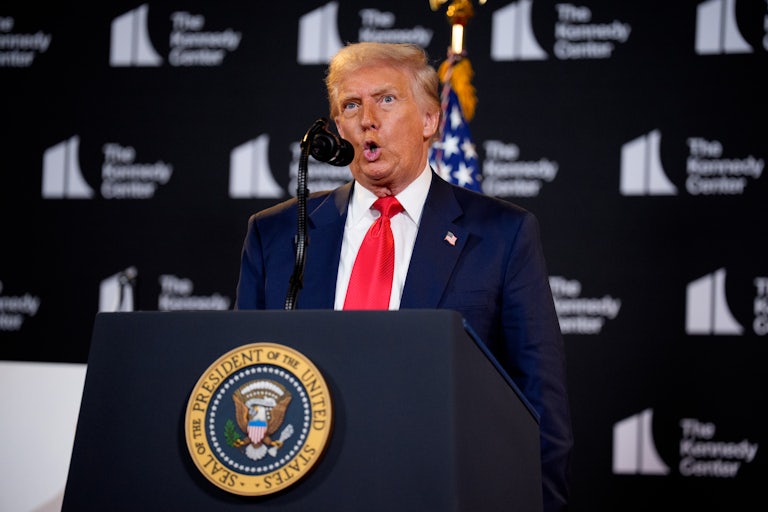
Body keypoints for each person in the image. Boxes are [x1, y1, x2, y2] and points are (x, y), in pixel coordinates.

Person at [235, 41, 573, 511]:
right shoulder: (275, 235)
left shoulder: (502, 234)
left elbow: (539, 404)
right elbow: (245, 376)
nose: (367, 119)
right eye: (351, 106)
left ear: (431, 120)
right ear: (337, 129)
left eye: (386, 99)